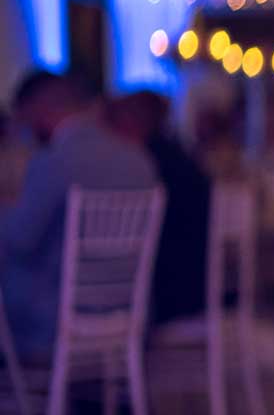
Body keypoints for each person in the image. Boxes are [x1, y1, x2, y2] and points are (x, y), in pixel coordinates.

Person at [1, 72, 158, 356]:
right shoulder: (139, 160)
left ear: (38, 109)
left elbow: (18, 240)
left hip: (53, 320)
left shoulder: (52, 162)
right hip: (130, 315)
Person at [106, 91, 211, 326]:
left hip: (168, 296)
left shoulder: (146, 164)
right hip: (195, 286)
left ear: (128, 121)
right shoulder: (180, 157)